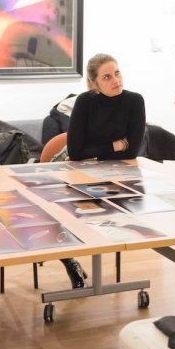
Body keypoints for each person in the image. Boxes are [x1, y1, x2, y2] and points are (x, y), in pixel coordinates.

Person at [64, 53, 146, 288]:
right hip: (82, 176)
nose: (115, 80)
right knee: (73, 212)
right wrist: (114, 145)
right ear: (94, 83)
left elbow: (132, 151)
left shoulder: (134, 101)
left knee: (121, 211)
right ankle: (72, 259)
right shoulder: (85, 102)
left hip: (122, 176)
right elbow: (76, 152)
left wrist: (96, 151)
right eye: (107, 77)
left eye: (117, 73)